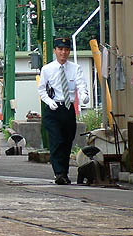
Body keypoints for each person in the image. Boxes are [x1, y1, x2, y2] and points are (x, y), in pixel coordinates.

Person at [37, 37, 90, 185]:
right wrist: (49, 101)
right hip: (53, 109)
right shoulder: (47, 69)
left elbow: (81, 84)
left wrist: (84, 95)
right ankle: (59, 173)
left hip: (68, 109)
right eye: (60, 49)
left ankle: (64, 173)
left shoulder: (75, 68)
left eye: (66, 50)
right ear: (55, 51)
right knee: (56, 140)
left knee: (67, 141)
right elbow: (42, 89)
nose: (63, 53)